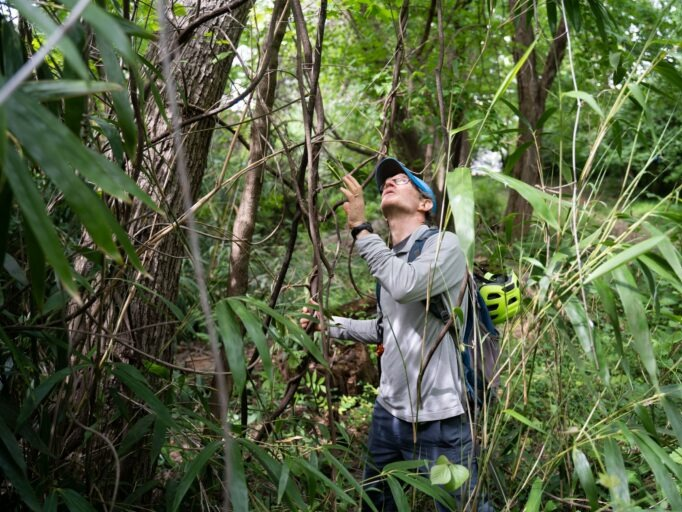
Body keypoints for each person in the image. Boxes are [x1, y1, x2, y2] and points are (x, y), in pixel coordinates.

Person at [301, 157, 490, 511]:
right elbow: (386, 328)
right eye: (386, 181)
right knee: (377, 502)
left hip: (440, 418)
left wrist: (360, 228)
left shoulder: (444, 246)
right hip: (388, 413)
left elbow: (406, 286)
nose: (390, 182)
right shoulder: (389, 258)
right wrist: (328, 325)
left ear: (425, 204)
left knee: (463, 507)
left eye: (402, 180)